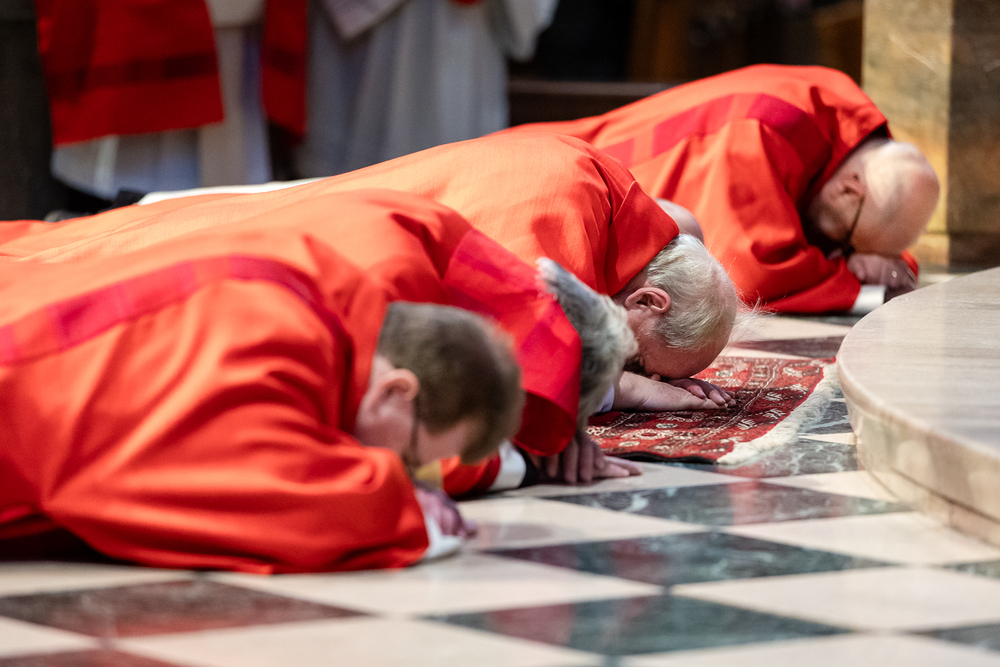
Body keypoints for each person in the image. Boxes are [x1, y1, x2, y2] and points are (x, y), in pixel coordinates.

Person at [0, 189, 527, 573]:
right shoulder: (280, 344)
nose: (412, 473)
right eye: (411, 456)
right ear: (395, 391)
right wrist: (401, 502)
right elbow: (275, 488)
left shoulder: (311, 284)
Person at [0, 184, 640, 492]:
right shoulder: (382, 290)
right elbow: (323, 447)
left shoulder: (453, 257)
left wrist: (552, 426)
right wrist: (516, 462)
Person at [505, 64, 941, 314]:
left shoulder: (859, 138)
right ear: (850, 189)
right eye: (845, 241)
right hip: (544, 180)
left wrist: (880, 261)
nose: (840, 252)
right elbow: (750, 273)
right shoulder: (765, 129)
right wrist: (855, 281)